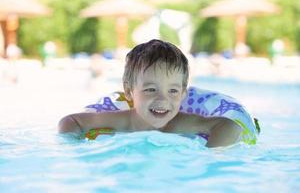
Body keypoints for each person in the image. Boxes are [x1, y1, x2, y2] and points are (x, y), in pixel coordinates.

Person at [58, 39, 242, 148]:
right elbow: (70, 121)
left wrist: (210, 159)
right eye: (150, 89)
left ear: (183, 94)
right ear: (129, 92)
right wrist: (76, 149)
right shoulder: (123, 121)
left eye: (173, 91)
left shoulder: (180, 123)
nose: (163, 99)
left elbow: (230, 126)